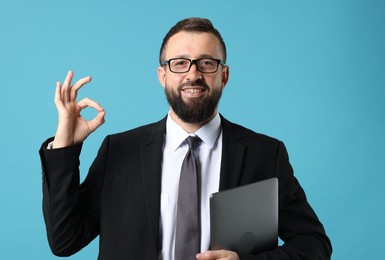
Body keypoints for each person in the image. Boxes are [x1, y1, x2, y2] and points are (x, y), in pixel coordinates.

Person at [39, 18, 332, 260]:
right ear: (162, 75)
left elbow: (314, 243)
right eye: (180, 63)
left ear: (224, 75)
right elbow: (65, 241)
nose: (193, 74)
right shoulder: (119, 150)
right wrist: (64, 146)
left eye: (206, 63)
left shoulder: (265, 154)